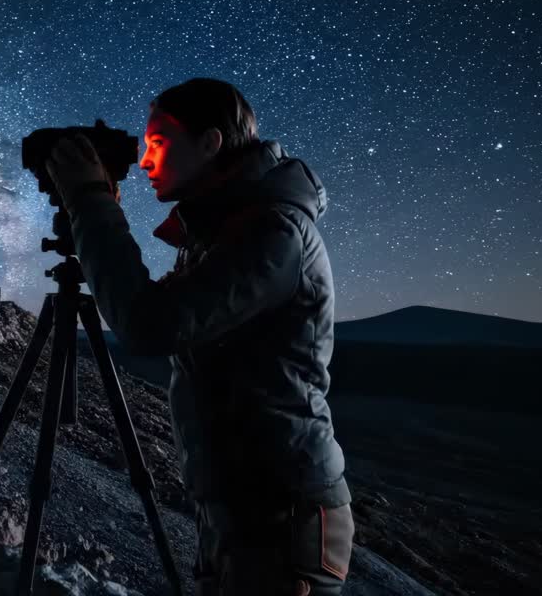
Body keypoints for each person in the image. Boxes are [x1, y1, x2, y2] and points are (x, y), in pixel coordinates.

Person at [44, 77, 354, 596]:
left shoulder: (271, 232)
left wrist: (92, 203)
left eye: (158, 143)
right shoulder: (229, 229)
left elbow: (150, 322)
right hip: (244, 509)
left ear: (210, 143)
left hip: (278, 515)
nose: (143, 161)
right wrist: (90, 212)